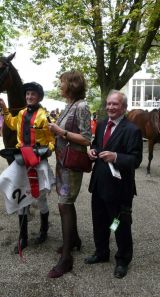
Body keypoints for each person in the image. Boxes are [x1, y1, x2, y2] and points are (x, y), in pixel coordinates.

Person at [85, 90, 143, 279]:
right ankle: (101, 253)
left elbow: (135, 160)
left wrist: (116, 156)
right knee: (99, 222)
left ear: (124, 107)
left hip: (119, 190)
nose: (110, 107)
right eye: (109, 104)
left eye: (115, 104)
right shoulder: (101, 125)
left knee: (118, 225)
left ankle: (122, 259)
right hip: (99, 184)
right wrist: (92, 151)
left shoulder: (132, 130)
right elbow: (96, 144)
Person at [0, 82, 55, 254]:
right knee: (21, 196)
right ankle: (23, 237)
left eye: (33, 95)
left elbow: (52, 139)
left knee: (40, 197)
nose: (29, 97)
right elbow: (11, 123)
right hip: (22, 159)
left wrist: (47, 151)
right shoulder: (21, 113)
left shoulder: (45, 117)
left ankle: (44, 231)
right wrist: (5, 109)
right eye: (28, 94)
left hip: (39, 160)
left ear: (39, 97)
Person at [47, 70, 92, 278]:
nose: (59, 86)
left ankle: (66, 259)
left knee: (64, 204)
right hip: (62, 162)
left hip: (71, 164)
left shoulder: (81, 106)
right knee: (64, 203)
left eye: (62, 82)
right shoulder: (70, 105)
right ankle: (73, 241)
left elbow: (85, 138)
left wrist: (61, 131)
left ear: (72, 84)